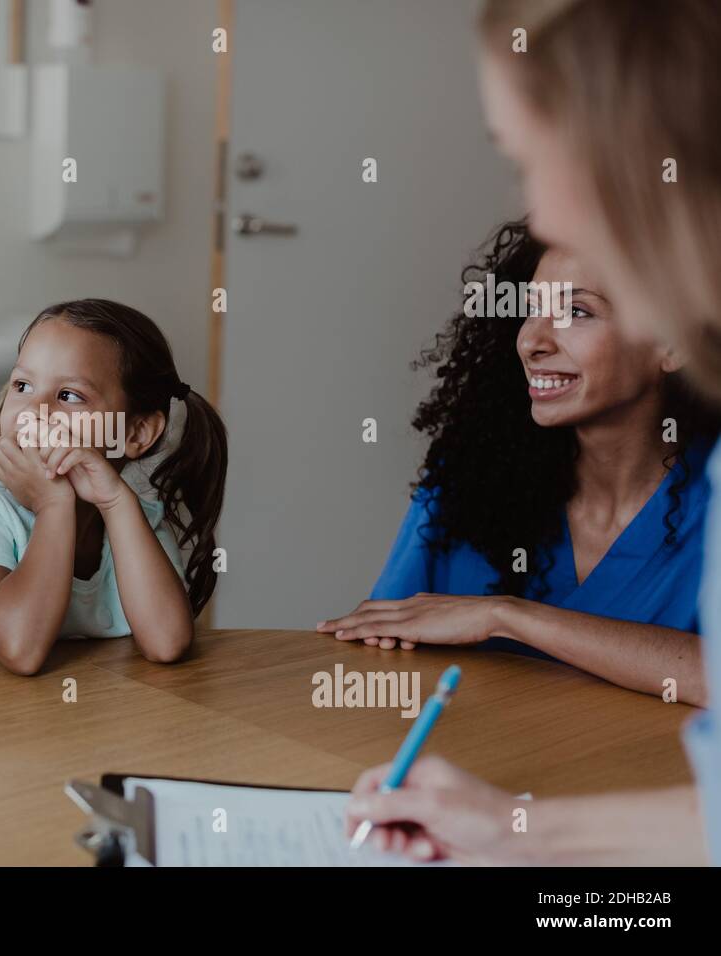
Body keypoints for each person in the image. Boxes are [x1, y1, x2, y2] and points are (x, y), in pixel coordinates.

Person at [345, 0, 721, 864]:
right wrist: (511, 831)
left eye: (534, 161)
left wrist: (506, 617)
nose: (542, 215)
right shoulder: (479, 477)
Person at [320, 221, 717, 705]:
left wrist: (508, 616)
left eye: (576, 311)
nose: (533, 341)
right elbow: (377, 651)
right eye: (532, 310)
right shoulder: (466, 481)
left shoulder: (711, 500)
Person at [0, 299, 227, 674]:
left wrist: (116, 503)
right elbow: (20, 650)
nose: (35, 410)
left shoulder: (133, 515)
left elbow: (167, 643)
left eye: (69, 396)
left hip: (83, 724)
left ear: (136, 432)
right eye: (23, 385)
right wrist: (54, 506)